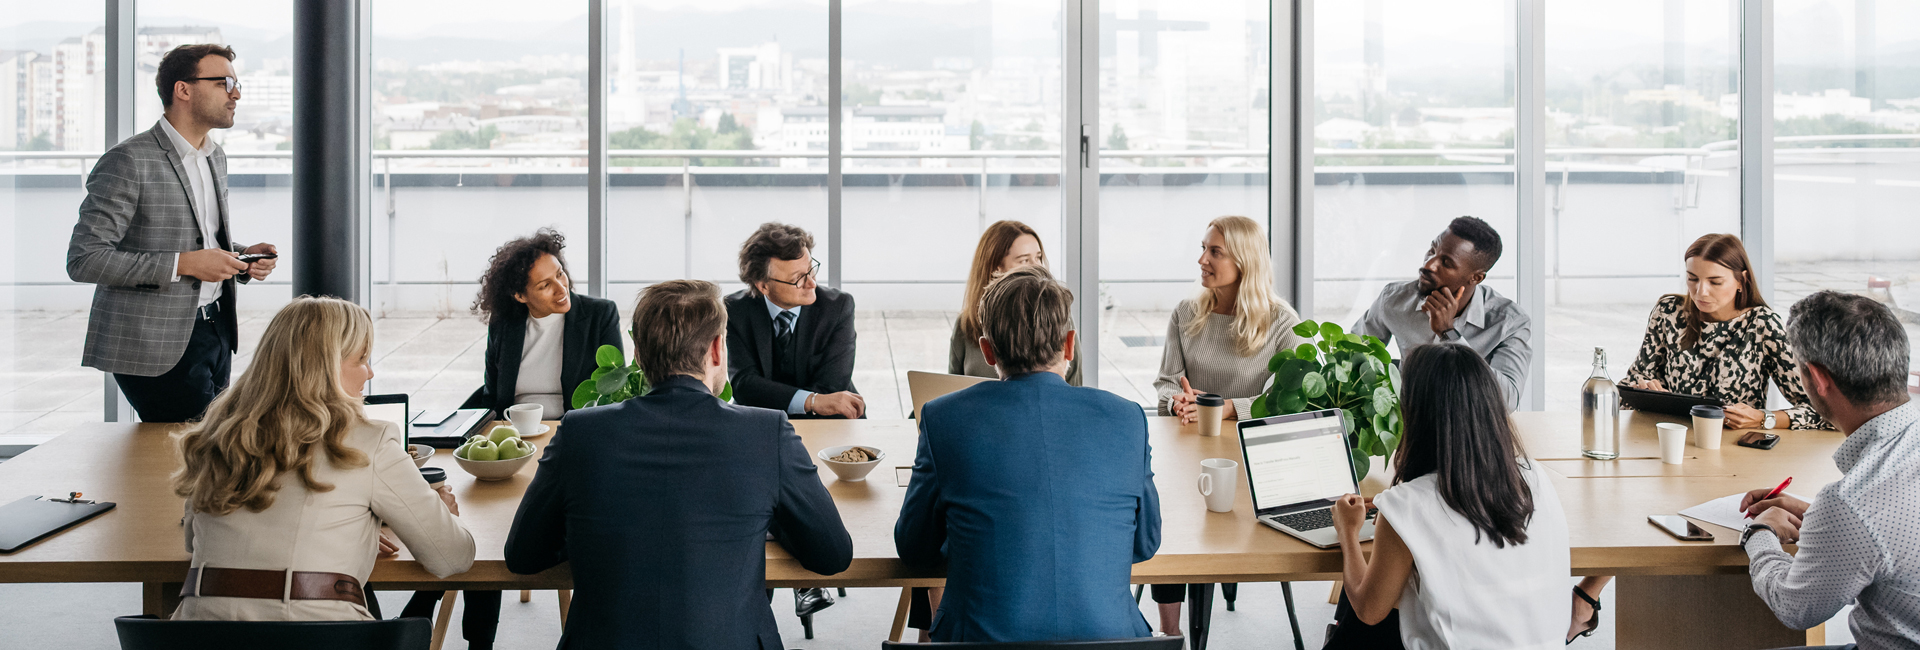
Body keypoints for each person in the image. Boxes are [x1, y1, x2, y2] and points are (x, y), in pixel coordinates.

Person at [507, 279, 853, 649]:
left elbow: (523, 556)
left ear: (638, 355)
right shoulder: (766, 433)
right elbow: (832, 555)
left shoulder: (580, 432)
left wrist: (585, 532)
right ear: (718, 349)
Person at [1567, 235, 1835, 641]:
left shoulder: (1762, 324)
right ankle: (1595, 598)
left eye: (1714, 281)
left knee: (1666, 512)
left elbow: (1821, 409)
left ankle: (1587, 595)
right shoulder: (1669, 311)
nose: (1700, 292)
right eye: (1692, 279)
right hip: (1666, 444)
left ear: (1741, 280)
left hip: (1733, 459)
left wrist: (1765, 418)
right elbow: (1629, 383)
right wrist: (1646, 388)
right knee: (1633, 508)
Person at [896, 266, 1161, 642]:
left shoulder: (942, 418)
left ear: (987, 351)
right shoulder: (1127, 418)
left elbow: (914, 549)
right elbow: (1145, 544)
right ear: (1070, 344)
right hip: (1111, 639)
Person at [170, 297, 474, 621]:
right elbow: (452, 557)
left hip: (197, 635)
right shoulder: (371, 441)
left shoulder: (219, 435)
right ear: (324, 365)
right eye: (361, 359)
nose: (369, 373)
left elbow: (193, 542)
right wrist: (444, 515)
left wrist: (356, 531)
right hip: (320, 637)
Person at [399, 228, 622, 649]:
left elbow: (608, 395)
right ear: (520, 296)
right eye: (545, 284)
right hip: (511, 441)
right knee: (474, 522)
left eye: (560, 274)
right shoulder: (506, 323)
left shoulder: (599, 314)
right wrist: (449, 425)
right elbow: (492, 392)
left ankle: (465, 632)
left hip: (569, 439)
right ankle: (475, 637)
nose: (561, 288)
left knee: (497, 531)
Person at [66, 43, 278, 423]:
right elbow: (85, 259)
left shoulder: (214, 155)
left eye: (236, 82)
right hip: (154, 343)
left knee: (209, 455)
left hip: (215, 330)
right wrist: (186, 264)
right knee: (194, 458)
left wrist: (241, 258)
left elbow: (200, 239)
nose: (237, 93)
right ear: (183, 90)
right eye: (224, 82)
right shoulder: (128, 160)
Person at [1324, 342, 1571, 649]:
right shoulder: (1534, 477)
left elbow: (1369, 610)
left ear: (1413, 415)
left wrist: (1347, 531)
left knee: (1366, 615)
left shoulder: (1407, 506)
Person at [1735, 291, 1920, 650]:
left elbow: (1796, 608)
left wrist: (1759, 532)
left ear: (1817, 379)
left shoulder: (1852, 503)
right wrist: (1820, 517)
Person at [1149, 215, 1306, 630]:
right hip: (1186, 452)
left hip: (1250, 459)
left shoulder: (1283, 323)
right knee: (1166, 522)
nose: (1202, 259)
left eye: (1214, 251)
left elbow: (1290, 398)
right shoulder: (1186, 312)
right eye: (1203, 248)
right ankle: (1170, 630)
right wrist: (1179, 403)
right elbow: (1165, 383)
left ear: (1244, 260)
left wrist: (1224, 408)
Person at [1351, 216, 1531, 410]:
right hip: (1408, 424)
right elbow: (1350, 356)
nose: (1428, 265)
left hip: (1470, 429)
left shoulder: (1509, 322)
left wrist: (1449, 334)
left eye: (1446, 263)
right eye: (1432, 250)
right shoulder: (1394, 299)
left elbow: (1507, 401)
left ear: (1476, 277)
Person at [725, 222, 864, 421]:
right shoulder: (735, 310)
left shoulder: (838, 306)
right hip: (763, 421)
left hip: (829, 421)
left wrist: (814, 402)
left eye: (811, 269)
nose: (812, 283)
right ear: (763, 285)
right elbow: (743, 385)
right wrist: (812, 401)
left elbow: (832, 386)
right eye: (798, 278)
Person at [949, 220, 1081, 386]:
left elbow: (1074, 386)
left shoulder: (1058, 315)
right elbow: (952, 389)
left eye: (1038, 257)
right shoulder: (965, 324)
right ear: (995, 268)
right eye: (1024, 260)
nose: (1038, 267)